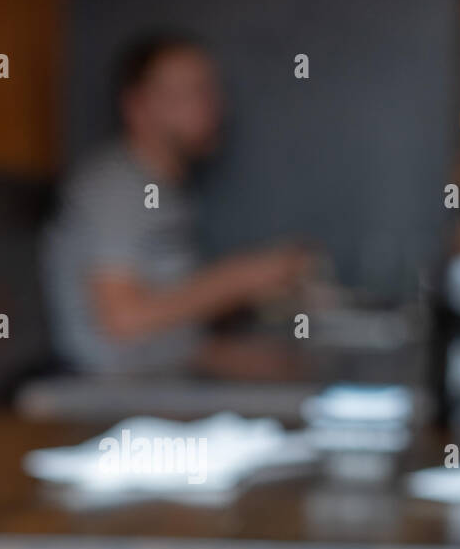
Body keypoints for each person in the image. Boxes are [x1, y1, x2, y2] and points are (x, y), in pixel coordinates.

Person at [42, 33, 313, 377]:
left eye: (211, 90)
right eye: (190, 92)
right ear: (137, 107)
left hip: (160, 383)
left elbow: (166, 332)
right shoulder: (115, 187)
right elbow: (122, 322)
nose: (210, 107)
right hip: (108, 398)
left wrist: (224, 352)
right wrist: (239, 278)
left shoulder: (166, 190)